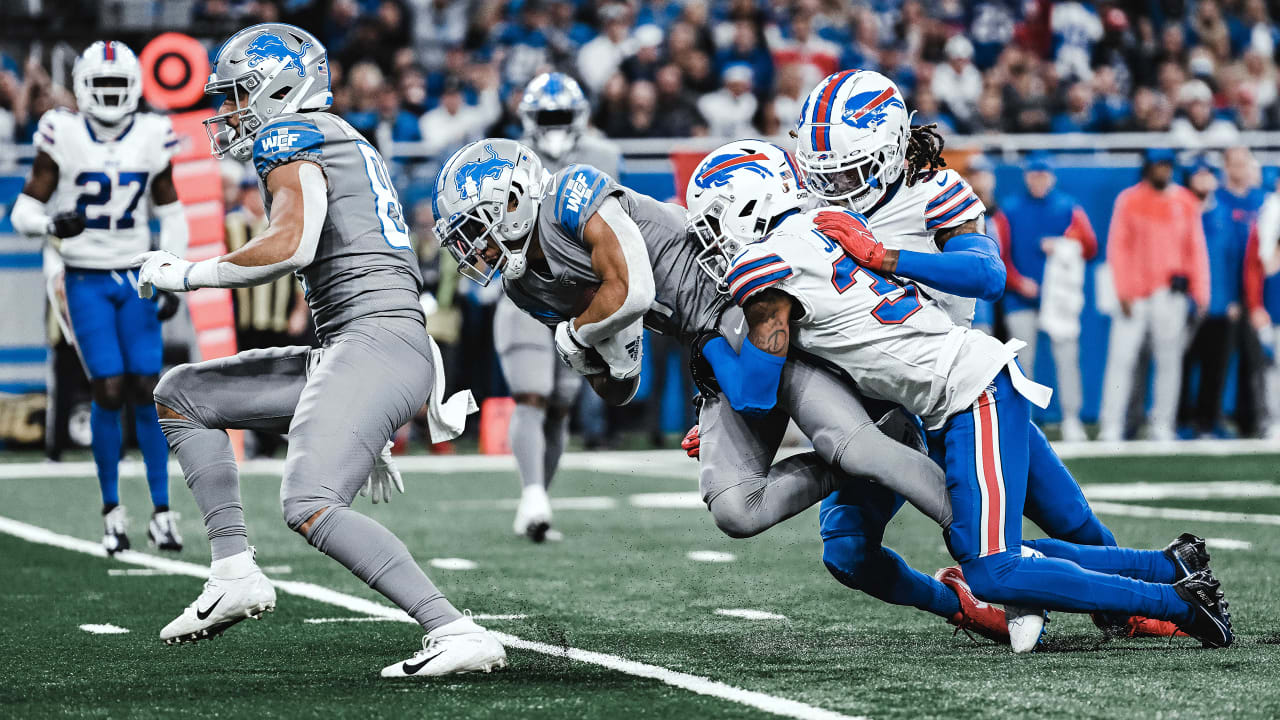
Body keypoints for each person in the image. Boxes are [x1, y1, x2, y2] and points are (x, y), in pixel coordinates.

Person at [133, 24, 505, 678]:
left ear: (282, 86)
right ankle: (232, 571)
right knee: (183, 394)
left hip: (373, 345)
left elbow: (292, 245)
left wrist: (187, 272)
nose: (232, 112)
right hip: (369, 345)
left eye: (241, 94)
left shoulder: (290, 134)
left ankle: (453, 628)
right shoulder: (344, 137)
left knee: (307, 501)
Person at [431, 138, 960, 572]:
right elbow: (622, 386)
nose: (475, 251)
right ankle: (872, 445)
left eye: (476, 230)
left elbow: (634, 289)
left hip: (744, 298)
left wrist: (577, 334)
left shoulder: (571, 191)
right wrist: (594, 358)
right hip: (709, 345)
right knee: (735, 507)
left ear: (515, 200)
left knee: (857, 447)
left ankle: (983, 541)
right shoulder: (527, 288)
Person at [719, 206, 1233, 649]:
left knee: (1002, 562)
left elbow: (755, 390)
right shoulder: (823, 224)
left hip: (967, 389)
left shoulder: (773, 259)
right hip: (932, 398)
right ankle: (1169, 566)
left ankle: (1178, 603)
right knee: (972, 549)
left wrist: (708, 354)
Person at [791, 69, 1183, 641]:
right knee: (848, 552)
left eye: (847, 170)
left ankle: (1147, 596)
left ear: (890, 150)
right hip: (876, 410)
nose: (833, 186)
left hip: (958, 395)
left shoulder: (933, 190)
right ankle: (961, 605)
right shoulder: (803, 206)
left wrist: (885, 256)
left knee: (1068, 523)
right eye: (822, 172)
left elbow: (987, 273)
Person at [9, 41, 185, 555]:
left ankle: (162, 510)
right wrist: (49, 224)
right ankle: (112, 510)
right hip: (82, 275)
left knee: (149, 388)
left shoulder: (153, 134)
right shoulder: (62, 132)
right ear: (84, 88)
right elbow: (23, 212)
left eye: (117, 86)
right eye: (101, 86)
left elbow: (171, 211)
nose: (109, 96)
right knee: (107, 388)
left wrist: (171, 268)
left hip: (133, 273)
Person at [496, 71, 622, 542]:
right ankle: (532, 495)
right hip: (523, 292)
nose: (552, 124)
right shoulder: (503, 159)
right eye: (545, 116)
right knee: (531, 394)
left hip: (579, 297)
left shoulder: (604, 156)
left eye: (559, 116)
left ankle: (537, 502)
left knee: (561, 405)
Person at [1099, 149, 1210, 442]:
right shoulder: (1130, 200)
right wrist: (1121, 289)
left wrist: (1200, 291)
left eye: (1167, 165)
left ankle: (1162, 424)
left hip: (1169, 293)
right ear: (1148, 167)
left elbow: (1195, 248)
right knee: (1122, 360)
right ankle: (1112, 425)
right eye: (1159, 165)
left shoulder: (1185, 202)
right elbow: (1117, 247)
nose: (1164, 170)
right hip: (1134, 295)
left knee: (1169, 361)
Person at [1000, 152, 1098, 442]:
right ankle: (1024, 422)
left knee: (1066, 360)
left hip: (1059, 301)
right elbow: (1000, 254)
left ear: (1052, 177)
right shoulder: (1010, 209)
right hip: (1021, 299)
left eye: (1043, 176)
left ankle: (1072, 418)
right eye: (1034, 175)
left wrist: (1066, 243)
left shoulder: (1069, 208)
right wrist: (1018, 283)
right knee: (1022, 364)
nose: (1039, 181)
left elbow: (1091, 246)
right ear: (1026, 177)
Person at [1181, 148, 1265, 438]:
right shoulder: (1216, 206)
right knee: (1194, 360)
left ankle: (1248, 420)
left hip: (1252, 292)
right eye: (1235, 164)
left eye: (1245, 163)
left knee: (1248, 361)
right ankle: (1192, 420)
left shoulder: (1260, 200)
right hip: (1209, 294)